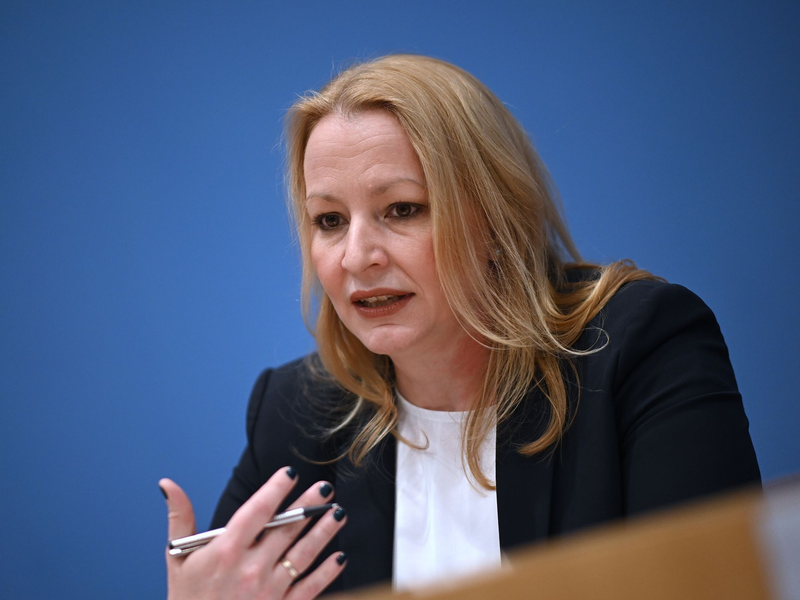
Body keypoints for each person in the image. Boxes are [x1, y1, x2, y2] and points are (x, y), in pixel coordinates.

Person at [159, 54, 761, 599]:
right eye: (330, 220)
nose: (356, 256)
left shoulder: (640, 349)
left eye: (402, 210)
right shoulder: (295, 415)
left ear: (495, 220)